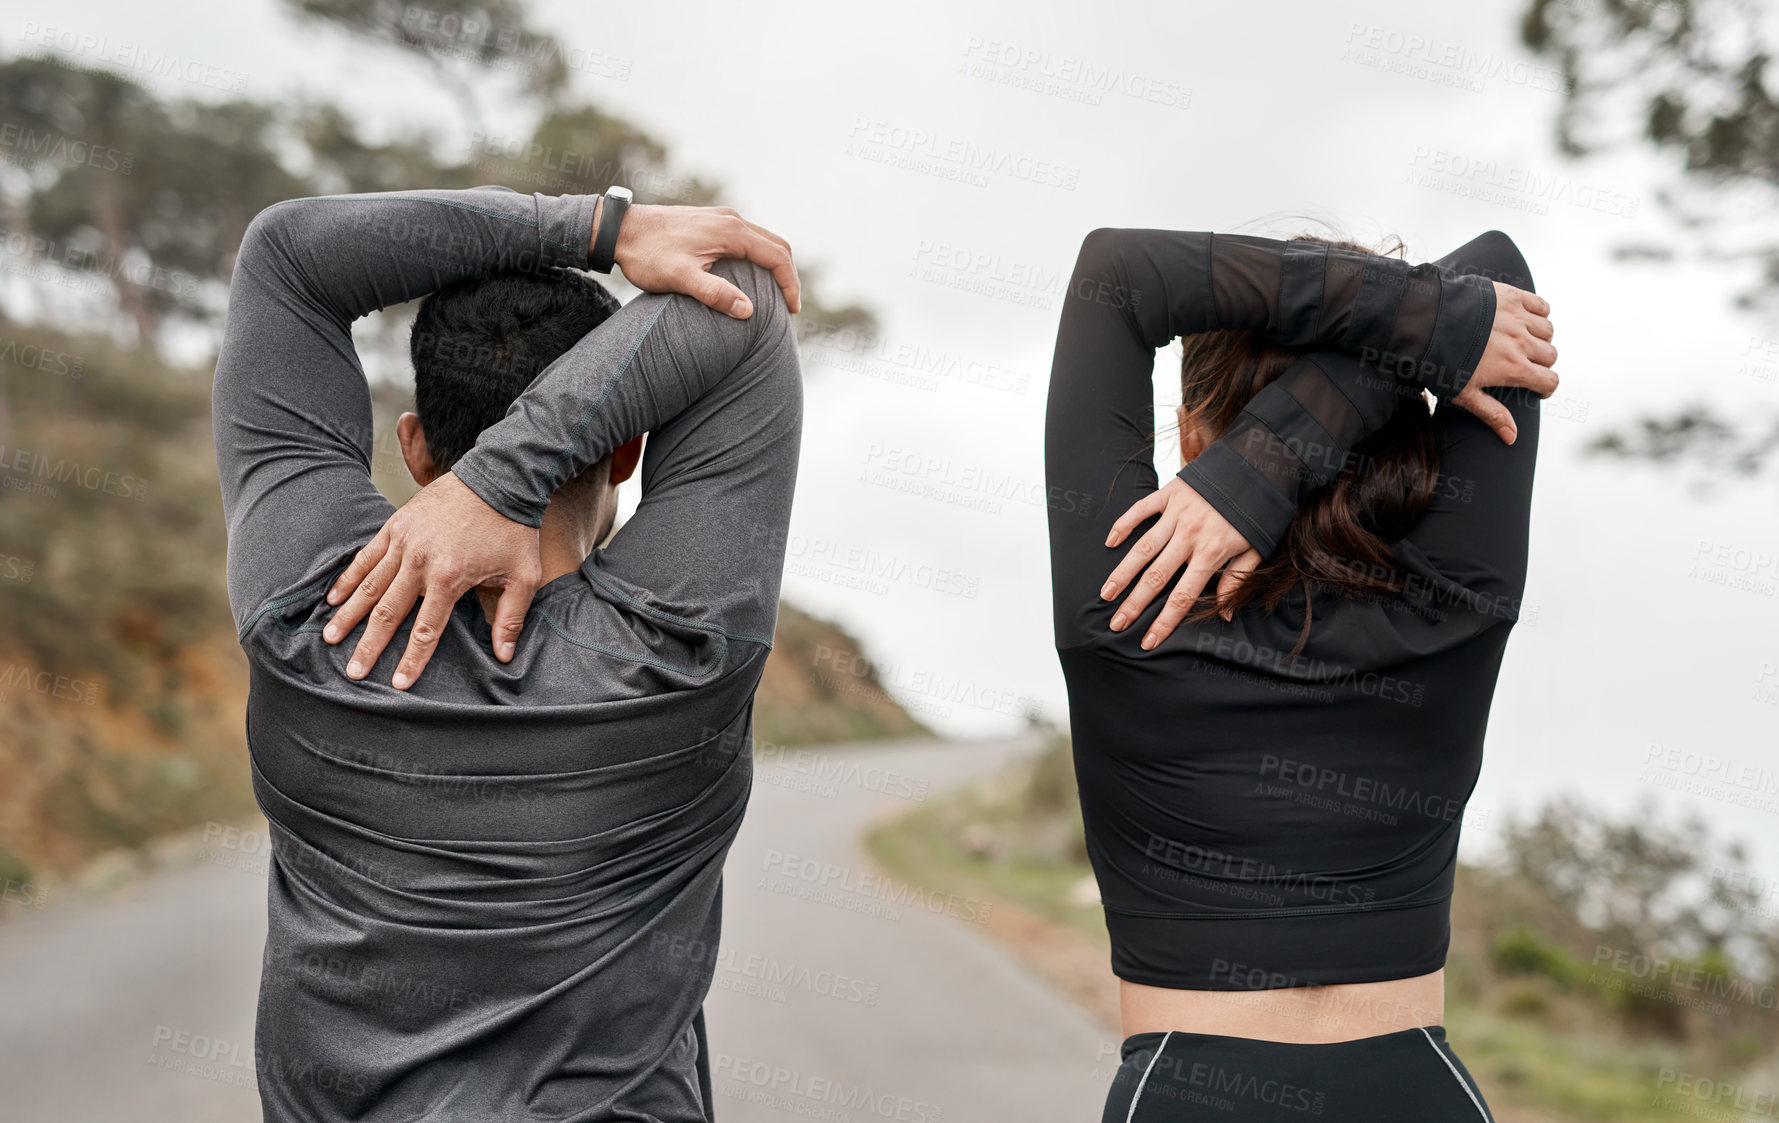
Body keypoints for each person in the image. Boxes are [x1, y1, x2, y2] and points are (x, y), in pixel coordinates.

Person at [211, 184, 803, 1121]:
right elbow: (744, 292)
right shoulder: (682, 652)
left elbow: (288, 254)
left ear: (412, 447)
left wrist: (599, 229)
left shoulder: (306, 623)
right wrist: (508, 474)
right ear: (625, 451)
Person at [1043, 224, 1555, 1120]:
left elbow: (1114, 272)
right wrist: (1302, 435)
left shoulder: (1121, 603)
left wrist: (1252, 467)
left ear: (1189, 434)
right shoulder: (1458, 604)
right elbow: (1496, 275)